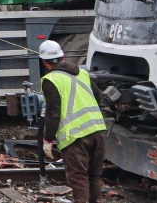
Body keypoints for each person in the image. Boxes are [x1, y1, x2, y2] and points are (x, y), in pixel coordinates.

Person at [39, 40, 108, 203]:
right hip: (98, 131)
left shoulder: (50, 80)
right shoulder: (83, 73)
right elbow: (99, 97)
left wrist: (48, 139)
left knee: (79, 178)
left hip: (76, 137)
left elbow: (53, 113)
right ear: (62, 57)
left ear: (44, 62)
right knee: (95, 176)